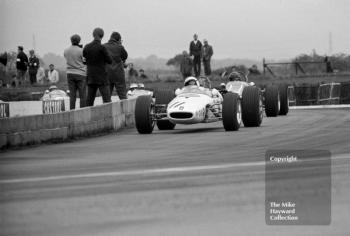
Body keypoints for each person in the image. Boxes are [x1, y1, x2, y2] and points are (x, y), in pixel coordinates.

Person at [83, 27, 112, 106]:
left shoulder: (86, 47)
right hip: (102, 77)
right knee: (107, 101)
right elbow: (110, 60)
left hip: (91, 76)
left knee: (89, 101)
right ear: (102, 36)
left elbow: (84, 60)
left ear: (93, 35)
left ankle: (87, 117)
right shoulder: (102, 47)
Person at [64, 34, 87, 109]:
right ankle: (82, 111)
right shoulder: (81, 50)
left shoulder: (66, 50)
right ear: (79, 41)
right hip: (80, 74)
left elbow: (66, 58)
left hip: (70, 73)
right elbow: (84, 61)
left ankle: (72, 110)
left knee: (72, 95)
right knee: (82, 95)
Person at [103, 32, 128, 100]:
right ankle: (124, 110)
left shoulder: (103, 46)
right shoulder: (120, 47)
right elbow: (125, 56)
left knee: (107, 96)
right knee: (122, 95)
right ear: (118, 39)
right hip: (118, 74)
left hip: (107, 74)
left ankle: (107, 110)